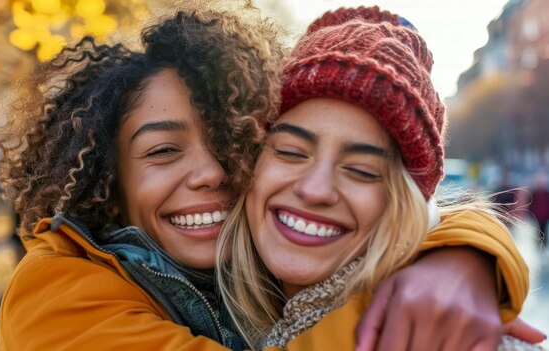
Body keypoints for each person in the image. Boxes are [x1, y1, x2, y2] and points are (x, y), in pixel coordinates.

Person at [0, 5, 536, 351]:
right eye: (162, 150)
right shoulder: (54, 295)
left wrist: (455, 253)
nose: (211, 173)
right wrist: (429, 280)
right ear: (109, 180)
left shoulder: (259, 275)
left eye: (231, 141)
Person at [216, 6, 546, 351]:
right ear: (248, 162)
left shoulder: (459, 338)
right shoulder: (189, 302)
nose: (315, 190)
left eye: (362, 171)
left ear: (403, 200)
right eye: (290, 152)